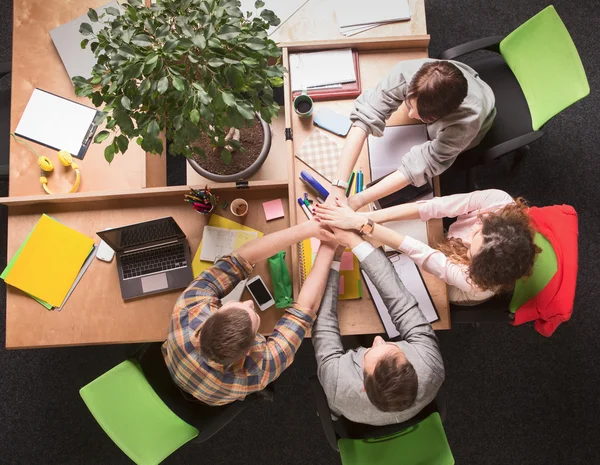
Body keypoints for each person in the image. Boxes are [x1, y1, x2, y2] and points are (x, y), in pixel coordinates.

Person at [162, 220, 337, 406]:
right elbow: (304, 311)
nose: (248, 302)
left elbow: (240, 258)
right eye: (254, 316)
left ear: (213, 314)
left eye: (238, 305)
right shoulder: (261, 368)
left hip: (178, 367)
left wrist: (310, 228)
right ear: (249, 350)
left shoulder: (189, 307)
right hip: (212, 395)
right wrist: (331, 244)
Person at [312, 227, 445, 426]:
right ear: (414, 370)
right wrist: (355, 243)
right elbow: (401, 303)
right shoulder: (430, 365)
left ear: (363, 386)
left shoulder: (338, 382)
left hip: (351, 410)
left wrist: (335, 258)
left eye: (371, 352)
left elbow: (324, 325)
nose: (378, 338)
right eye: (394, 348)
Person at [315, 189, 541, 305]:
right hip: (443, 245)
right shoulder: (497, 201)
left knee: (424, 290)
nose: (467, 238)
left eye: (471, 251)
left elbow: (422, 253)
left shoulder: (475, 282)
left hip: (457, 287)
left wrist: (362, 224)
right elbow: (434, 207)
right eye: (478, 230)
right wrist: (363, 217)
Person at [327, 59, 496, 210]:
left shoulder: (465, 124)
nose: (410, 114)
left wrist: (357, 201)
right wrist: (338, 187)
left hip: (477, 123)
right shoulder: (407, 72)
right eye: (409, 103)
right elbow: (366, 115)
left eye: (422, 115)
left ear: (439, 117)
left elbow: (421, 165)